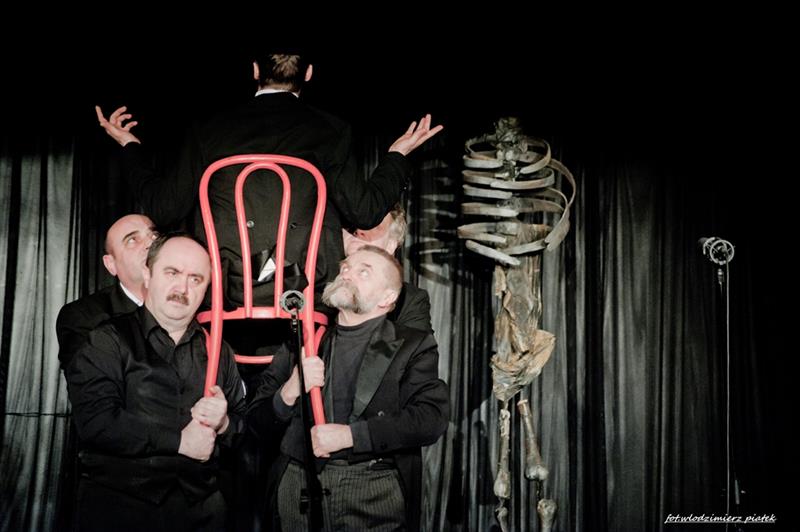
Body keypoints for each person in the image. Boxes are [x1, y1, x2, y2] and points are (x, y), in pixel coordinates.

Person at [95, 49, 443, 310]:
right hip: (304, 288)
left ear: (255, 71)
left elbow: (164, 209)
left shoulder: (209, 129)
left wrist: (130, 148)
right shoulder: (331, 130)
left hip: (223, 288)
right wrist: (396, 156)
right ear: (308, 74)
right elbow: (364, 213)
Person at [247, 245, 449, 531]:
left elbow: (430, 418)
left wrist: (351, 436)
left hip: (372, 490)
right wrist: (290, 390)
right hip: (297, 485)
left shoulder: (413, 345)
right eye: (345, 268)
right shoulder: (302, 341)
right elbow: (255, 423)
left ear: (388, 297)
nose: (347, 274)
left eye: (364, 272)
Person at [65, 233, 246, 532]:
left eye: (196, 279)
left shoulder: (218, 350)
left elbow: (245, 432)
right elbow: (96, 422)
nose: (182, 289)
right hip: (120, 510)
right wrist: (180, 442)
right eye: (172, 273)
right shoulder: (107, 339)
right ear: (148, 275)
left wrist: (225, 423)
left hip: (203, 513)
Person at [56, 214, 157, 368]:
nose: (151, 243)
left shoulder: (189, 304)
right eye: (132, 240)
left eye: (155, 236)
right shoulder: (83, 316)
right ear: (111, 264)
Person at [342, 203, 433, 333]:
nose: (358, 231)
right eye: (349, 223)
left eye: (372, 225)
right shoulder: (318, 283)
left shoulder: (409, 301)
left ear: (390, 245)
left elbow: (417, 345)